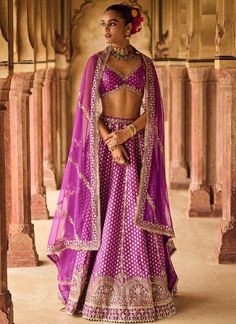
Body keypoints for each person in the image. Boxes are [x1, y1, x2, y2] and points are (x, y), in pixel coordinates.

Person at [46, 2, 178, 323]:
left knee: (133, 211)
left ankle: (142, 288)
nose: (105, 30)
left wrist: (127, 134)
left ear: (129, 27)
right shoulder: (96, 62)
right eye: (103, 24)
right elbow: (89, 108)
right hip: (103, 149)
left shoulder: (146, 65)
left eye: (112, 24)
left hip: (134, 143)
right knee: (102, 210)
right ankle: (95, 288)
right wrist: (111, 140)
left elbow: (152, 111)